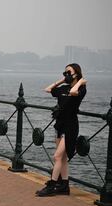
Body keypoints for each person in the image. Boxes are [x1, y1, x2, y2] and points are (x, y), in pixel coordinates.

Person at [36, 63, 87, 197]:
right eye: (65, 73)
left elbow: (73, 92)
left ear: (77, 73)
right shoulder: (63, 87)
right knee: (62, 158)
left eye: (69, 73)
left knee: (57, 156)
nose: (67, 75)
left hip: (71, 125)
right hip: (60, 125)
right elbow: (48, 89)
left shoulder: (81, 89)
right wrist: (63, 80)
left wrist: (80, 81)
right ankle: (64, 186)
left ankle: (52, 186)